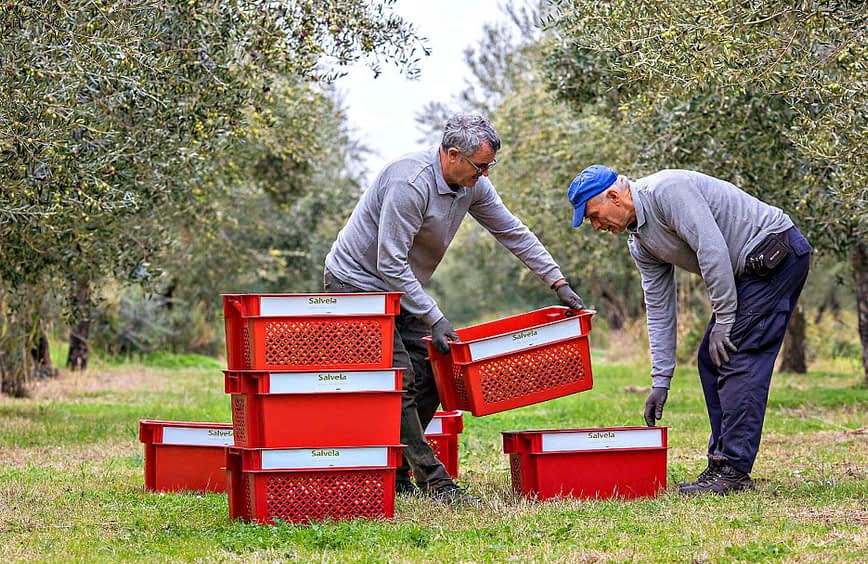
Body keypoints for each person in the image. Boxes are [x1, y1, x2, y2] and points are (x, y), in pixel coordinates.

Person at [324, 114, 584, 503]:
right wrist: (436, 318)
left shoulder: (472, 186)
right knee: (399, 379)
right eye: (480, 166)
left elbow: (511, 231)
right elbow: (389, 263)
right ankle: (435, 482)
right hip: (356, 283)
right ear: (451, 154)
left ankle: (394, 471)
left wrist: (557, 281)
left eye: (489, 166)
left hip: (401, 286)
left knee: (432, 371)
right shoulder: (409, 184)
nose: (484, 174)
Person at [567, 165, 811, 495]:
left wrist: (725, 320)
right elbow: (658, 307)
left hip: (775, 255)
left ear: (614, 196)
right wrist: (660, 381)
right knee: (710, 359)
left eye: (595, 216)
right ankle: (721, 464)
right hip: (748, 271)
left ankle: (733, 469)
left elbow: (712, 249)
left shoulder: (668, 190)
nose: (596, 227)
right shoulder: (640, 243)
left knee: (736, 355)